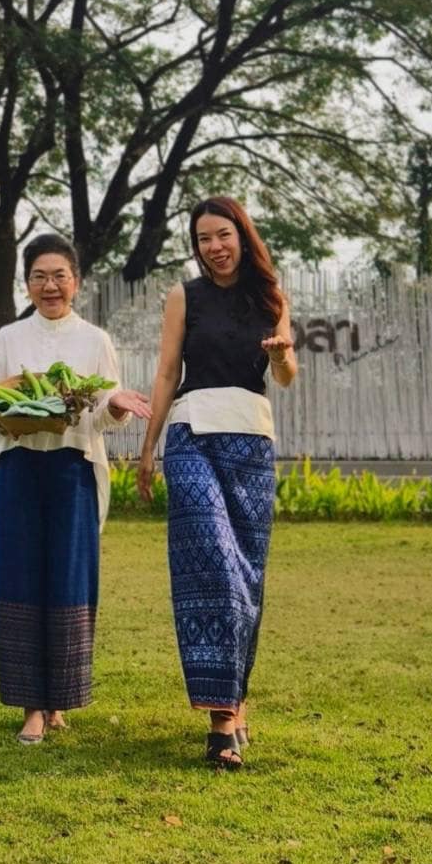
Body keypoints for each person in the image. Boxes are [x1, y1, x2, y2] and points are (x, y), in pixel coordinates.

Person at [137, 196, 297, 768]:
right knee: (210, 565)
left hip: (251, 439)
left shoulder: (272, 295)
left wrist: (280, 355)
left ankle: (237, 697)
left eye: (223, 235)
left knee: (246, 575)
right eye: (203, 238)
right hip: (191, 433)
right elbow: (165, 372)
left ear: (241, 235)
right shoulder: (185, 295)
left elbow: (286, 373)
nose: (214, 247)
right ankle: (221, 720)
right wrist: (148, 447)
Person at [0, 233, 151, 744]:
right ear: (26, 283)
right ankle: (32, 704)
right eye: (38, 276)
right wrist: (10, 415)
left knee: (70, 581)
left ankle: (61, 700)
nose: (49, 285)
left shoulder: (95, 340)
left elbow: (101, 416)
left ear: (76, 282)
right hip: (19, 468)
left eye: (59, 276)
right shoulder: (9, 337)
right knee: (20, 580)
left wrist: (115, 405)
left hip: (74, 469)